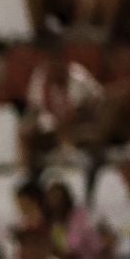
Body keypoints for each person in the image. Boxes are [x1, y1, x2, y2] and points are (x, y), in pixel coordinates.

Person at [21, 33, 106, 168]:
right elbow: (34, 108)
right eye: (48, 61)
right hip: (49, 126)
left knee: (65, 122)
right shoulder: (40, 76)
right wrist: (31, 124)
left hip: (78, 123)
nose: (52, 66)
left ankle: (70, 159)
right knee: (25, 131)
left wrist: (81, 114)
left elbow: (97, 99)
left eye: (55, 60)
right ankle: (25, 171)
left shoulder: (77, 75)